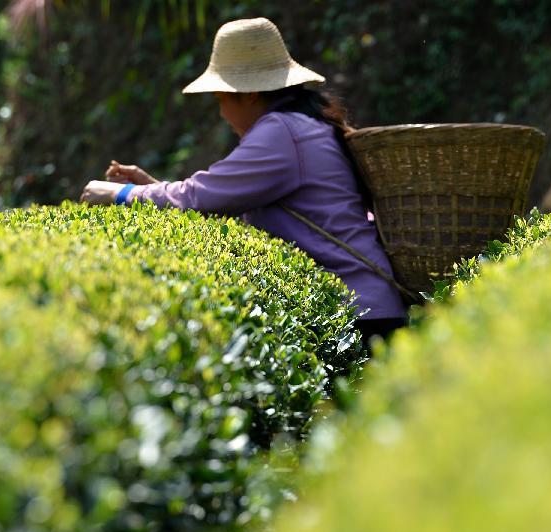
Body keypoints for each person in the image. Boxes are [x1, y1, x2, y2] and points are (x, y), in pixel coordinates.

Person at [79, 17, 406, 348]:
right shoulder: (301, 126)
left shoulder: (280, 133)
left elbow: (197, 197)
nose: (221, 112)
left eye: (221, 98)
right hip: (368, 308)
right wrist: (151, 186)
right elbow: (215, 195)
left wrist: (121, 193)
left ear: (248, 92)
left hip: (360, 316)